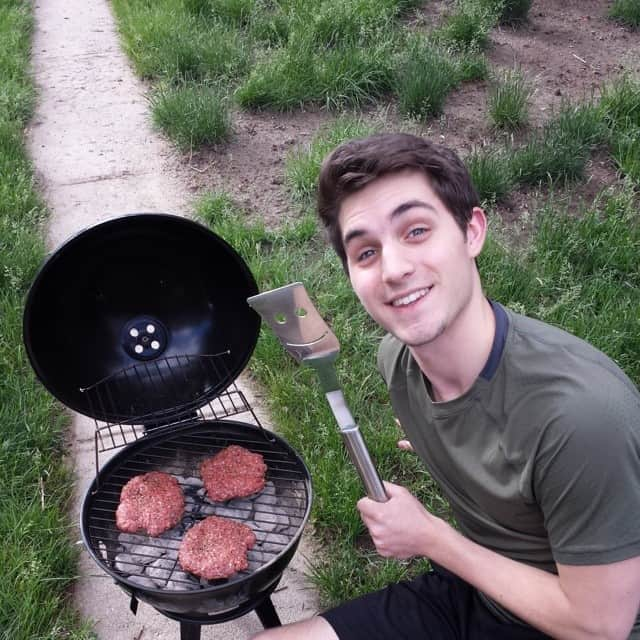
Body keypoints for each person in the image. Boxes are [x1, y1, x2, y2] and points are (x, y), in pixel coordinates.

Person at [252, 132, 640, 639]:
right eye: (366, 252)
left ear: (472, 231)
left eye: (416, 231)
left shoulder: (581, 418)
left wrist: (431, 537)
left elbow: (600, 628)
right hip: (478, 593)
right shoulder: (398, 363)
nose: (393, 269)